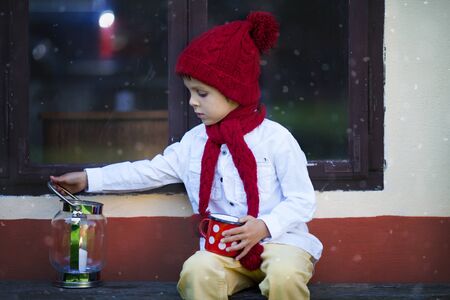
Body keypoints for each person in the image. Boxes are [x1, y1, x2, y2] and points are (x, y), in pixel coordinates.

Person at [50, 11, 322, 300]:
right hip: (222, 253)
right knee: (196, 272)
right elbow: (148, 171)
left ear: (234, 92)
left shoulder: (275, 138)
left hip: (282, 244)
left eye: (201, 93)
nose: (192, 101)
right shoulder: (195, 143)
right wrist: (88, 178)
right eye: (190, 92)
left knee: (285, 275)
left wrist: (266, 225)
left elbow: (302, 200)